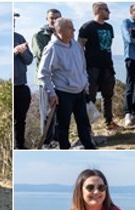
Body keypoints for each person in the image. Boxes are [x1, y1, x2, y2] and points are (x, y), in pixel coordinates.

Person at [38, 18, 97, 150]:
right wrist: (51, 93)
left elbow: (82, 67)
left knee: (83, 122)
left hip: (80, 90)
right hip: (63, 92)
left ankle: (88, 146)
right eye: (70, 28)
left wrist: (85, 85)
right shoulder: (52, 48)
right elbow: (43, 73)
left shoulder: (75, 45)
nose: (74, 31)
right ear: (60, 31)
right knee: (63, 125)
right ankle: (64, 148)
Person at [79, 2, 118, 130]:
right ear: (99, 10)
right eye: (107, 10)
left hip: (107, 66)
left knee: (108, 96)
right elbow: (79, 48)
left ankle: (109, 121)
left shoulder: (109, 27)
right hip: (91, 68)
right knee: (90, 97)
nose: (109, 12)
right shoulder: (87, 27)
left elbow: (108, 46)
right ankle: (87, 126)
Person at [31, 9, 62, 148]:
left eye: (57, 18)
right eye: (52, 18)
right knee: (47, 113)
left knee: (60, 112)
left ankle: (57, 139)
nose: (54, 20)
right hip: (45, 80)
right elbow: (42, 55)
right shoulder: (38, 36)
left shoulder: (64, 35)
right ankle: (46, 141)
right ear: (47, 19)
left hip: (61, 80)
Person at [121, 4, 135, 127]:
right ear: (131, 12)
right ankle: (127, 113)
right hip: (131, 57)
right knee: (130, 85)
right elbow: (128, 39)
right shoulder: (126, 23)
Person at [14, 31, 34, 149]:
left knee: (20, 120)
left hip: (21, 85)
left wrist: (23, 51)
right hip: (10, 86)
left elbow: (29, 60)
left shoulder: (19, 37)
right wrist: (14, 51)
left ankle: (19, 145)